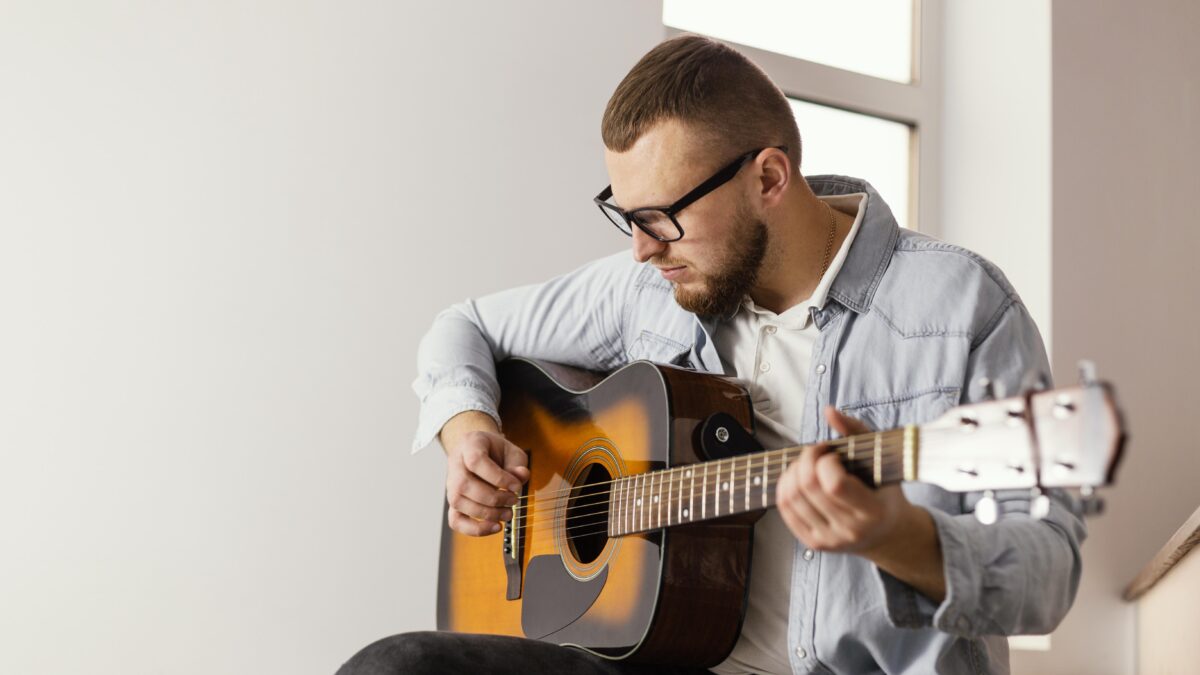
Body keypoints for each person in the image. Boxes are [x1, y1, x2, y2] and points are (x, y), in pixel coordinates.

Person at [337, 34, 1085, 675]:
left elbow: (1048, 570)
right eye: (626, 216)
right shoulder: (648, 288)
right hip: (670, 659)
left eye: (662, 217)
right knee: (397, 667)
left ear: (767, 177)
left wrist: (900, 536)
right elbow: (461, 325)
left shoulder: (961, 307)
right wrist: (467, 429)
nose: (639, 250)